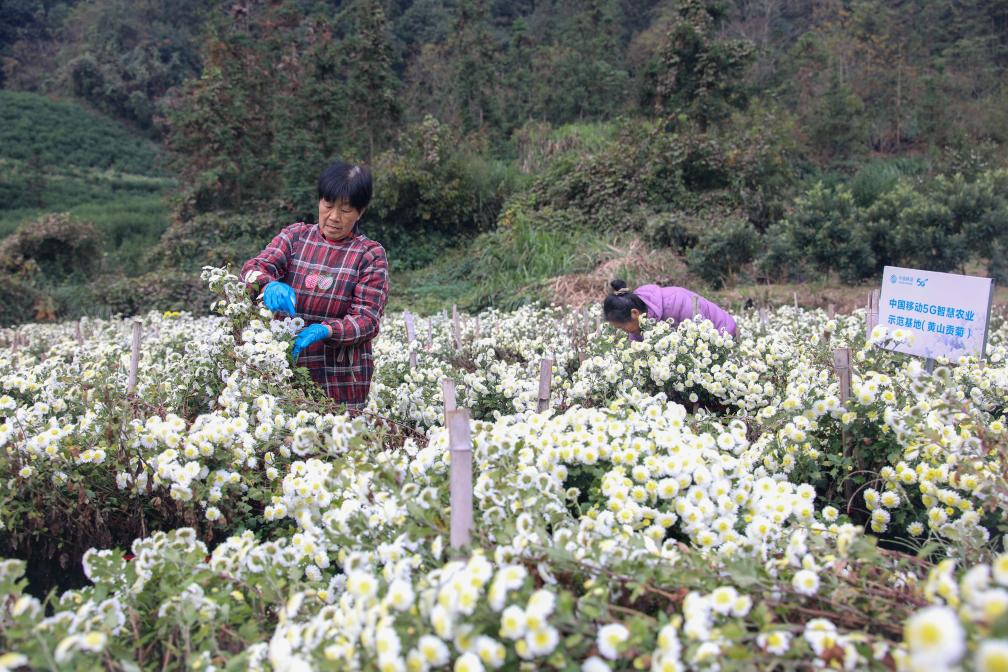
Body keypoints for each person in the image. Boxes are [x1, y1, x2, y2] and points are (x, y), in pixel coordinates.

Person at [241, 160, 389, 409]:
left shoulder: (369, 254)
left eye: (345, 210)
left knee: (335, 444)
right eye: (328, 205)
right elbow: (254, 268)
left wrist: (327, 330)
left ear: (361, 211)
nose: (333, 217)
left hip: (340, 380)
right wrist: (267, 287)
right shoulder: (296, 237)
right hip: (285, 371)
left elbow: (367, 319)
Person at [602, 279, 736, 341]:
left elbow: (701, 337)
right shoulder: (639, 313)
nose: (624, 332)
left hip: (722, 333)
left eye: (623, 328)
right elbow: (638, 341)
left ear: (634, 313)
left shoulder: (676, 303)